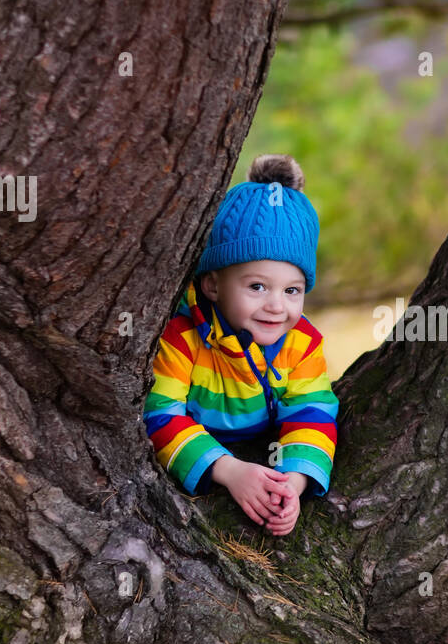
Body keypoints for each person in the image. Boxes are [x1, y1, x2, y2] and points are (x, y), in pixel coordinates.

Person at [143, 154, 337, 537]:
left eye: (292, 290)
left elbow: (311, 412)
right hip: (210, 453)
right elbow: (160, 414)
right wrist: (229, 470)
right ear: (212, 285)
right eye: (257, 287)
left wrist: (292, 484)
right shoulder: (183, 338)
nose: (276, 306)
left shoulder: (300, 344)